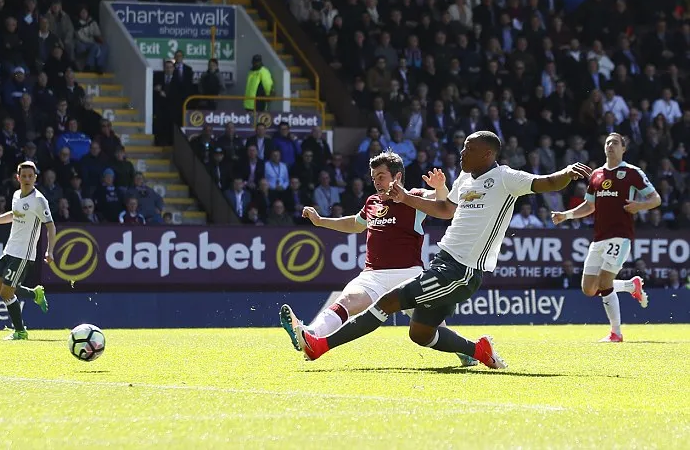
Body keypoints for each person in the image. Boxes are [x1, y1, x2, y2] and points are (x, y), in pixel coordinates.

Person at [292, 131, 591, 368]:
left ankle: (320, 346)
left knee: (385, 304)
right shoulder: (463, 179)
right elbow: (446, 207)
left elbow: (546, 183)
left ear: (487, 154)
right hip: (444, 263)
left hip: (461, 271)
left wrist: (567, 172)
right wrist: (413, 198)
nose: (461, 153)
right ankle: (479, 350)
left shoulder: (505, 178)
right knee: (419, 333)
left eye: (469, 149)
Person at [280, 153, 475, 367]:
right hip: (373, 276)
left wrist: (439, 186)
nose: (376, 182)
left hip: (409, 276)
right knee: (347, 301)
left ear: (397, 176)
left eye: (381, 176)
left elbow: (442, 203)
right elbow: (355, 224)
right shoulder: (372, 202)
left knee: (432, 328)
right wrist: (320, 221)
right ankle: (309, 335)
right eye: (374, 178)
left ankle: (465, 349)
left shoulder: (414, 197)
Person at [551, 133, 661, 342]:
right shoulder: (596, 175)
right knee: (589, 288)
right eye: (608, 142)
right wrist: (566, 215)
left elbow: (656, 198)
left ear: (623, 149)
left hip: (620, 236)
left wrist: (641, 205)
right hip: (599, 238)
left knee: (604, 281)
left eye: (615, 143)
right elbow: (589, 206)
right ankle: (630, 286)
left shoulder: (632, 173)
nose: (611, 145)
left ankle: (616, 333)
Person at [0, 161, 55, 340]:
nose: (27, 179)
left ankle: (20, 331)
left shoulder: (39, 201)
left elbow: (50, 226)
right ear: (18, 178)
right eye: (23, 176)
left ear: (35, 178)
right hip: (9, 249)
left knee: (6, 292)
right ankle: (35, 294)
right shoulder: (17, 195)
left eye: (30, 176)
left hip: (23, 254)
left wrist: (49, 251)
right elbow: (14, 215)